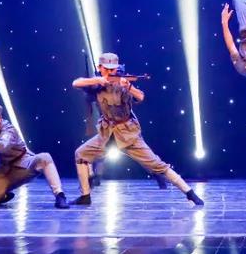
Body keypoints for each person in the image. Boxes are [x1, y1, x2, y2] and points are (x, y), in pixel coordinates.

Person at [72, 53, 203, 206]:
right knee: (81, 154)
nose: (110, 72)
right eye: (106, 69)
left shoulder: (123, 82)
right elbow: (76, 83)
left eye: (112, 69)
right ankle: (85, 196)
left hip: (128, 135)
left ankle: (189, 193)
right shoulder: (96, 84)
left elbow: (140, 97)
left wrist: (128, 87)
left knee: (158, 165)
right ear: (99, 68)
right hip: (106, 134)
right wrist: (98, 80)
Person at [0, 103, 69, 208]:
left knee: (44, 158)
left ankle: (59, 195)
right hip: (4, 172)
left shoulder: (8, 130)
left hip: (23, 166)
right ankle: (3, 195)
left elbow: (1, 147)